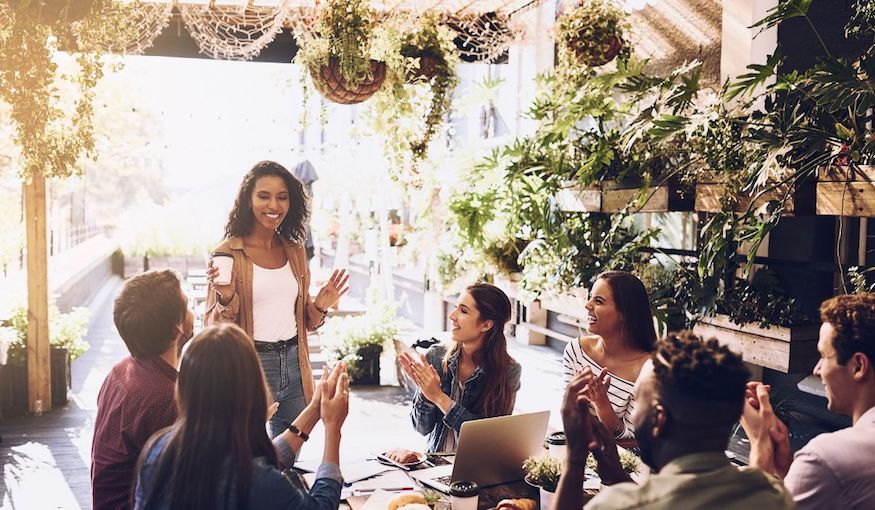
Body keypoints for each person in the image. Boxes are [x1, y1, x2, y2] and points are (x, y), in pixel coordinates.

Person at [555, 332, 794, 510]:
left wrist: (575, 459)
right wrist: (619, 477)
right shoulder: (773, 496)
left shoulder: (615, 505)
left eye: (639, 400)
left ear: (659, 419)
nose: (635, 414)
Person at [133, 322, 350, 510]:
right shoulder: (256, 481)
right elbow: (319, 506)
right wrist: (333, 429)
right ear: (251, 388)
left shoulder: (158, 450)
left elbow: (256, 462)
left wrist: (313, 410)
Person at [205, 160, 349, 438]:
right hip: (251, 365)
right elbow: (214, 330)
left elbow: (304, 320)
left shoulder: (294, 251)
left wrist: (320, 304)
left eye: (282, 197)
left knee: (290, 451)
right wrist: (226, 297)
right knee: (248, 455)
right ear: (248, 200)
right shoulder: (227, 253)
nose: (274, 205)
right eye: (264, 196)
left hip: (295, 364)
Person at [741, 293, 875, 510]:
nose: (817, 369)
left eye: (824, 356)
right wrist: (789, 469)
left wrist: (760, 446)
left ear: (858, 366)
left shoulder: (825, 460)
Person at [91, 270, 194, 510]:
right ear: (177, 327)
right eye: (187, 304)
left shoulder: (120, 370)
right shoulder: (166, 397)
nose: (193, 312)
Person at [399, 283, 521, 453]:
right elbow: (421, 428)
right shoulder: (435, 356)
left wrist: (439, 398)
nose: (452, 316)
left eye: (463, 311)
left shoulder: (508, 371)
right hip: (434, 468)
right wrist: (425, 394)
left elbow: (488, 440)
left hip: (477, 470)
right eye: (456, 307)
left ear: (486, 325)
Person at [562, 271, 656, 443]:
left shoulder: (649, 370)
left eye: (598, 301)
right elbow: (570, 419)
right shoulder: (576, 350)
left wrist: (602, 404)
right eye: (590, 297)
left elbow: (633, 442)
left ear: (624, 313)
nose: (587, 305)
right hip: (578, 450)